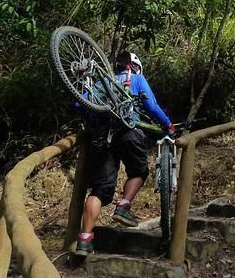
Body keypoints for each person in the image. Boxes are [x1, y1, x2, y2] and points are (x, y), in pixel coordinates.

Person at [75, 51, 175, 257]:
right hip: (129, 132)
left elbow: (79, 104)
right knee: (139, 171)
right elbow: (151, 106)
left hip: (102, 139)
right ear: (134, 66)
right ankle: (123, 207)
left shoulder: (102, 82)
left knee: (100, 190)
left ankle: (84, 240)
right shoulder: (136, 79)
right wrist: (168, 124)